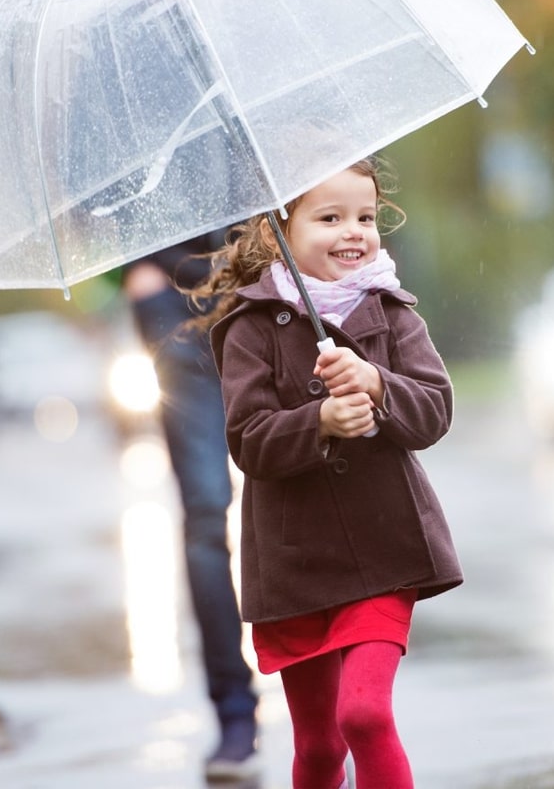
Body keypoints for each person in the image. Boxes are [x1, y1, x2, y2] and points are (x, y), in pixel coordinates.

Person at [187, 156, 462, 788]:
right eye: (329, 217)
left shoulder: (391, 312)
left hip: (381, 550)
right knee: (317, 747)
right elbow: (249, 441)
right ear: (278, 227)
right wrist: (318, 423)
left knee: (363, 715)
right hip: (296, 569)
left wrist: (376, 382)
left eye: (365, 217)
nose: (353, 232)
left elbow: (434, 410)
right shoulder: (248, 329)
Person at [120, 0, 260, 783]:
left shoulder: (268, 22)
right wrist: (132, 266)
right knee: (207, 516)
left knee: (313, 500)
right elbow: (94, 174)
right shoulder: (125, 51)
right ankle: (235, 716)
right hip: (178, 308)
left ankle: (333, 688)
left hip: (274, 292)